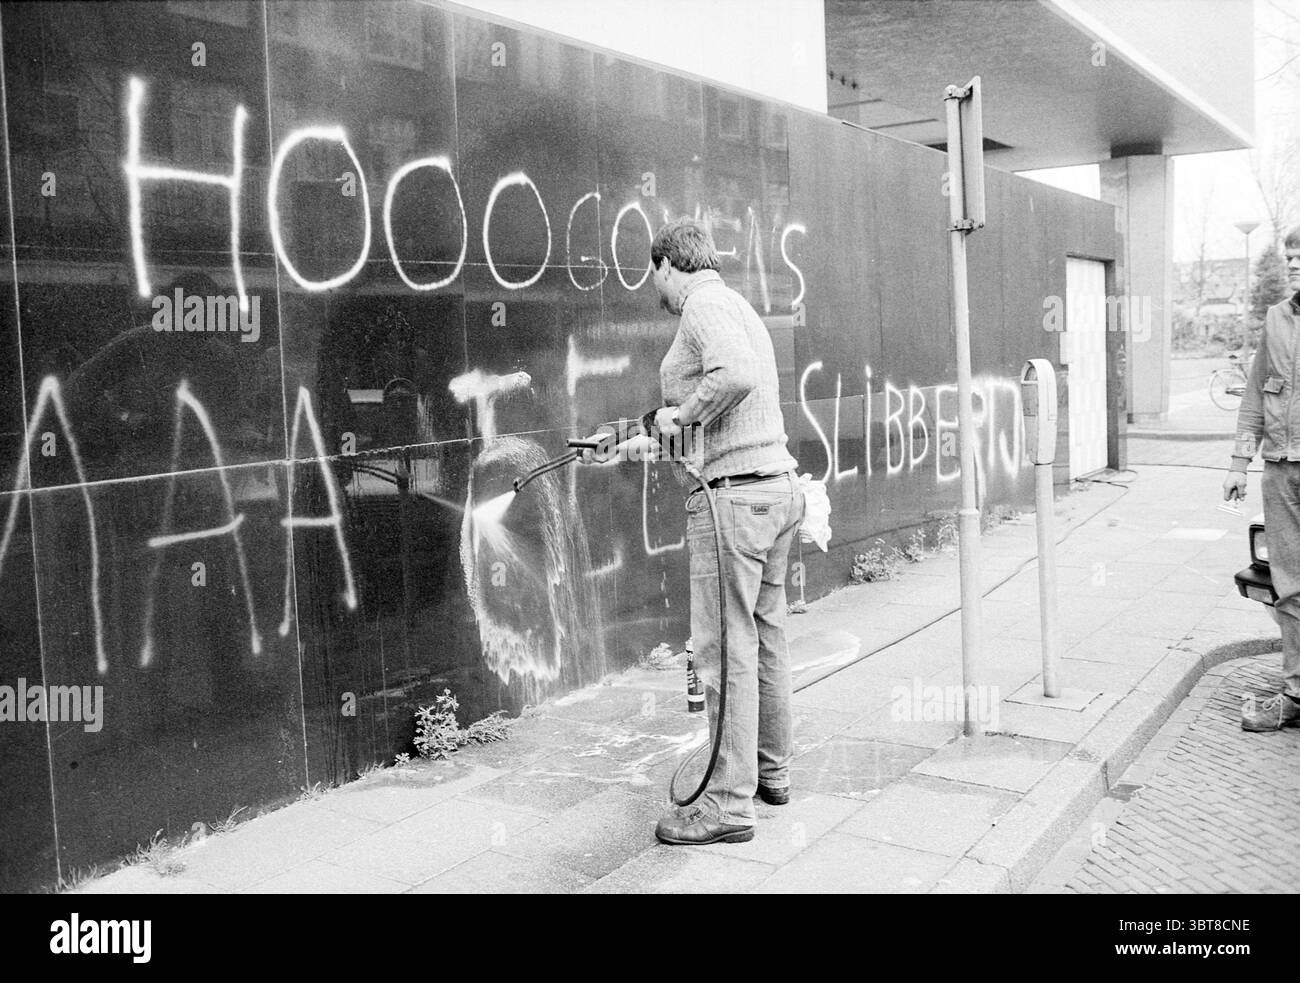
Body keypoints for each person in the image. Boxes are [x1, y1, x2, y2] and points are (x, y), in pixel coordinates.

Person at [643, 219, 805, 845]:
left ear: (666, 265)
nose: (653, 288)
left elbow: (730, 376)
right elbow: (729, 402)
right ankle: (771, 773)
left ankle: (729, 807)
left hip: (732, 503)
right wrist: (646, 437)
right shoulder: (737, 304)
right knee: (765, 639)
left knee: (724, 649)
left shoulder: (702, 305)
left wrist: (678, 413)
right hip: (774, 490)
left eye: (652, 275)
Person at [1223, 224, 1300, 731]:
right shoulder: (1276, 318)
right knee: (1290, 587)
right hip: (1282, 470)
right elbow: (1256, 395)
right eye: (1291, 256)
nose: (1293, 264)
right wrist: (1238, 463)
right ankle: (1295, 693)